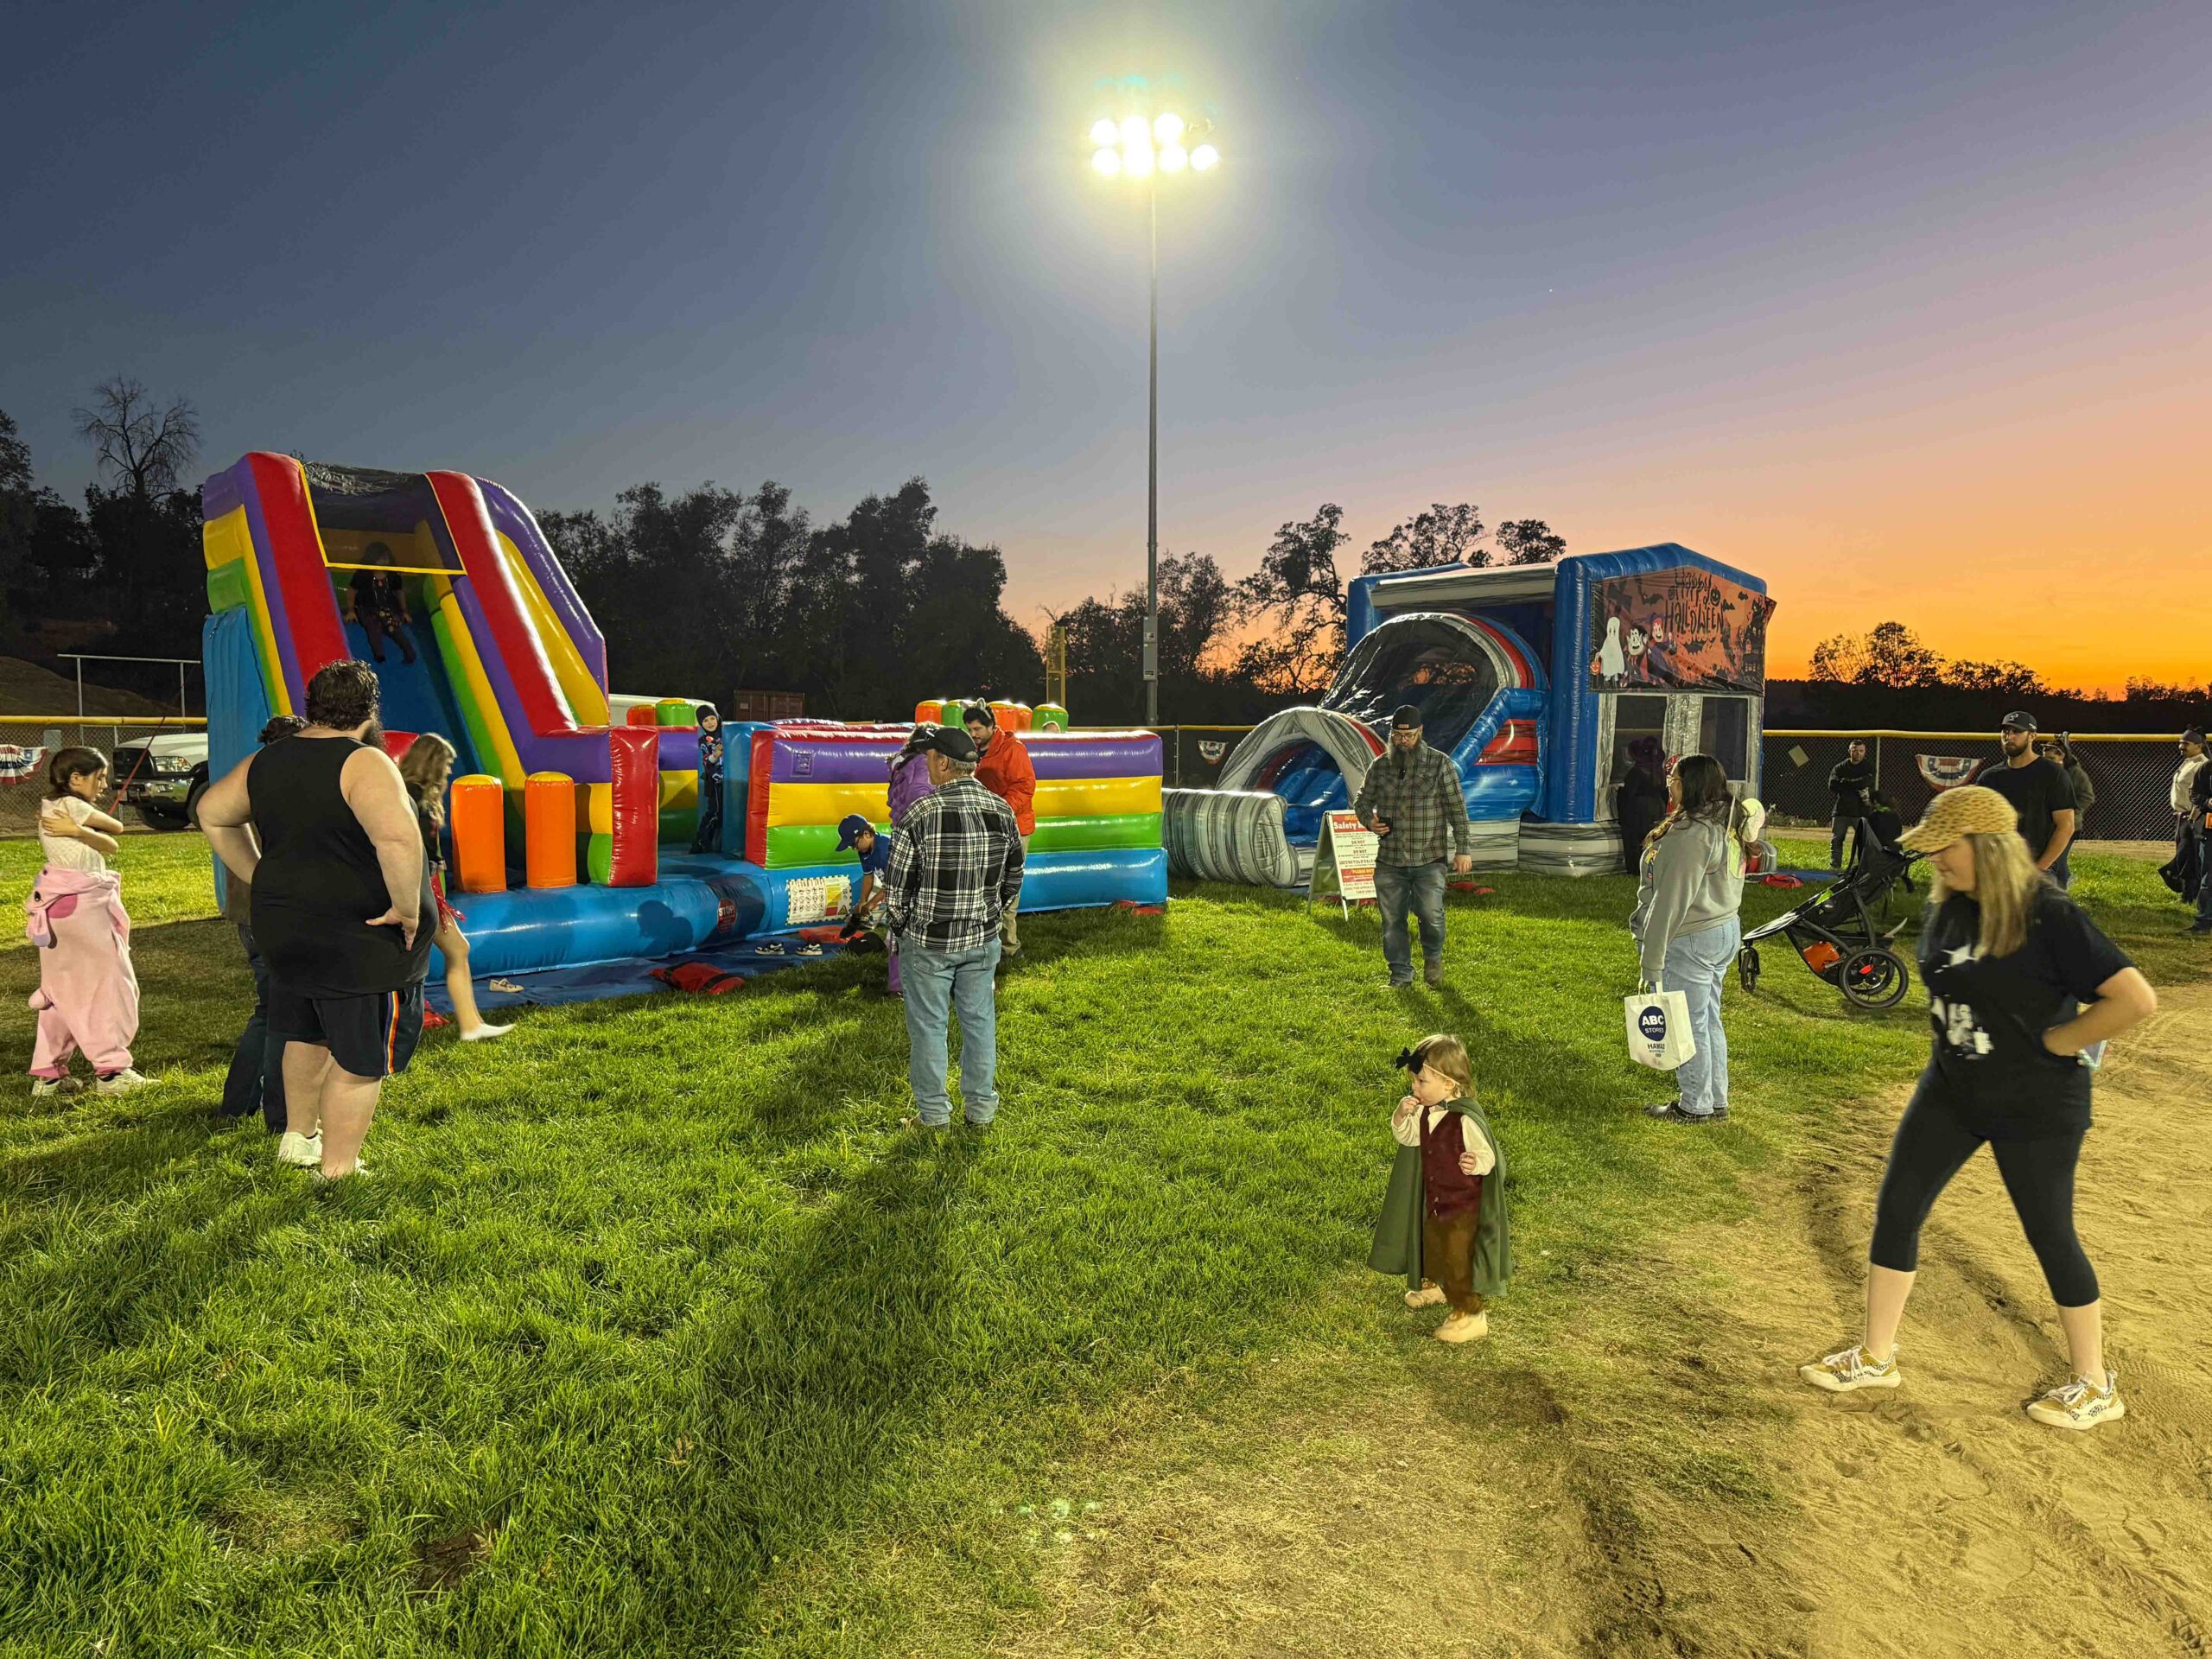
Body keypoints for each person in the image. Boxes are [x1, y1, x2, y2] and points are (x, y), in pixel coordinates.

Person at [1799, 785, 2158, 1430]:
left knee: (2049, 1234)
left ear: (1988, 847)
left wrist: (2060, 1041)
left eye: (1946, 847)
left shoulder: (2047, 912)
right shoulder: (1951, 905)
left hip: (2035, 1103)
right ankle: (1877, 1357)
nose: (1934, 858)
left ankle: (2095, 1384)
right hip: (1951, 1091)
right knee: (1898, 1208)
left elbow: (2134, 999)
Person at [197, 659, 433, 1180]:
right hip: (357, 935)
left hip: (289, 929)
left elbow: (212, 813)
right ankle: (339, 1169)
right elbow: (397, 839)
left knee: (305, 1033)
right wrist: (406, 909)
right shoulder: (364, 762)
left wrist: (259, 875)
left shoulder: (268, 759)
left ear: (312, 706)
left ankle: (298, 1138)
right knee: (360, 1058)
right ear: (370, 710)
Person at [884, 725, 1024, 1131]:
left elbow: (896, 888)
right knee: (979, 1024)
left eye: (929, 758)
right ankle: (980, 1112)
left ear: (943, 763)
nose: (926, 763)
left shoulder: (919, 814)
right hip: (982, 939)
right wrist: (990, 916)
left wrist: (903, 928)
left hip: (929, 942)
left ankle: (933, 1117)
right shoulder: (1001, 811)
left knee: (929, 1028)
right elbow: (1014, 878)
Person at [1628, 754, 1757, 1125]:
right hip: (1721, 928)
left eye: (1674, 777)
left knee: (1689, 1022)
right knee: (1707, 1017)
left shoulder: (1694, 834)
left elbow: (1670, 901)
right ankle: (1715, 1099)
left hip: (1693, 935)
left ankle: (1695, 1105)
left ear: (1690, 784)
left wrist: (1651, 962)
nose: (1669, 783)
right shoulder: (1724, 822)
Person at [1368, 1033, 1510, 1345]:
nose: (1414, 1089)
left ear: (1448, 1083)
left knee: (1457, 1258)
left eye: (1421, 1082)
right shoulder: (1425, 1110)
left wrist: (1475, 1163)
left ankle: (1471, 1314)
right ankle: (1437, 1287)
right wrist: (1401, 1115)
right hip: (1434, 1201)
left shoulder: (1465, 1119)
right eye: (1413, 1082)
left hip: (1462, 1208)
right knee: (1432, 1246)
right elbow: (1410, 1138)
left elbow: (1488, 1156)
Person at [26, 747, 145, 1096]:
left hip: (57, 906)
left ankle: (48, 1076)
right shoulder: (73, 806)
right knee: (110, 985)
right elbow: (115, 834)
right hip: (82, 907)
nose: (104, 785)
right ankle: (112, 1072)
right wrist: (80, 829)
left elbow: (106, 843)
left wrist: (78, 831)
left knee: (61, 990)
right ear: (75, 778)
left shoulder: (50, 806)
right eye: (99, 777)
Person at [218, 715, 307, 1130]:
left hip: (250, 916)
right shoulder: (285, 789)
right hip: (276, 914)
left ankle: (238, 1103)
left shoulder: (244, 782)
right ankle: (282, 1116)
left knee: (269, 1012)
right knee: (287, 1017)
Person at [396, 734, 513, 1042]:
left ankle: (471, 1023)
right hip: (416, 890)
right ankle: (466, 1024)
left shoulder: (415, 794)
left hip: (423, 887)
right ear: (431, 763)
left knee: (457, 949)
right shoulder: (412, 795)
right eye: (446, 765)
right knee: (453, 950)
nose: (448, 772)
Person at [1352, 705, 1475, 988]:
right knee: (1392, 921)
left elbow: (1457, 809)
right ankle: (1400, 976)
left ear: (1420, 732)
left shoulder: (1439, 764)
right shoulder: (1380, 766)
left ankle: (1432, 958)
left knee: (1431, 915)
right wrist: (1369, 821)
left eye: (1408, 736)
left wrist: (1463, 849)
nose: (1403, 741)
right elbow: (1362, 801)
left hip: (1429, 857)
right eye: (1397, 735)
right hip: (1390, 859)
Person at [962, 703, 1036, 957]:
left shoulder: (1012, 749)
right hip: (984, 828)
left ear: (992, 726)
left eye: (977, 729)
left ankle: (1008, 946)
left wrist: (999, 812)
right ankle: (985, 943)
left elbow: (1025, 787)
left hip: (1012, 828)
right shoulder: (972, 751)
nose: (973, 734)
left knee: (1008, 887)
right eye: (969, 729)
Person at [1979, 711, 2075, 888]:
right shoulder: (1989, 778)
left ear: (2032, 736)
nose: (2009, 736)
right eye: (2006, 731)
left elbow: (2066, 826)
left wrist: (2038, 870)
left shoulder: (2053, 774)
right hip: (1999, 869)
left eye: (2017, 731)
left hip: (2041, 870)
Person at [880, 726, 939, 997]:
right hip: (918, 847)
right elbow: (920, 800)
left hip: (901, 844)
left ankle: (898, 981)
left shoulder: (902, 765)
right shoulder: (923, 767)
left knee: (900, 912)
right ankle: (915, 980)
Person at [342, 543, 416, 666]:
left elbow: (399, 592)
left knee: (393, 627)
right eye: (381, 559)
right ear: (372, 559)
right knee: (373, 628)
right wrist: (351, 610)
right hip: (367, 609)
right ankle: (379, 656)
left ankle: (409, 652)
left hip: (387, 608)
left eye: (386, 558)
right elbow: (352, 591)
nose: (384, 562)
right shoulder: (363, 575)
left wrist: (404, 611)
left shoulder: (392, 575)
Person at [1614, 736, 1669, 876]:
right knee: (1651, 840)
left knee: (1635, 841)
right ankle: (1650, 868)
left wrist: (1620, 796)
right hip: (1657, 809)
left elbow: (1628, 794)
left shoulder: (1636, 773)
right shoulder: (1659, 772)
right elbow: (1665, 792)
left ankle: (1635, 869)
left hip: (1638, 812)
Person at [2179, 728, 2212, 936]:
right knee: (2208, 878)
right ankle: (2205, 921)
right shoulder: (2207, 768)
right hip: (2210, 832)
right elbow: (2195, 794)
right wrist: (2207, 802)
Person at [1827, 739, 1876, 871]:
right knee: (1837, 839)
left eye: (1861, 751)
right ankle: (1835, 865)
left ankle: (1863, 866)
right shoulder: (1840, 767)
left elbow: (1865, 783)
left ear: (1865, 752)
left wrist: (1844, 782)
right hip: (1841, 810)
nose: (1858, 753)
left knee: (1864, 840)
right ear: (1849, 751)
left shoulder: (1869, 767)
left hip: (1861, 811)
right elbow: (1832, 785)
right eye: (1854, 750)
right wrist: (1856, 786)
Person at [690, 704, 725, 855]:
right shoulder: (704, 741)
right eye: (705, 721)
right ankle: (700, 842)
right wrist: (716, 755)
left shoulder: (727, 734)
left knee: (724, 814)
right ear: (701, 723)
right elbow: (706, 762)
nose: (710, 723)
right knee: (714, 812)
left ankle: (715, 844)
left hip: (730, 781)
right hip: (715, 782)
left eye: (712, 718)